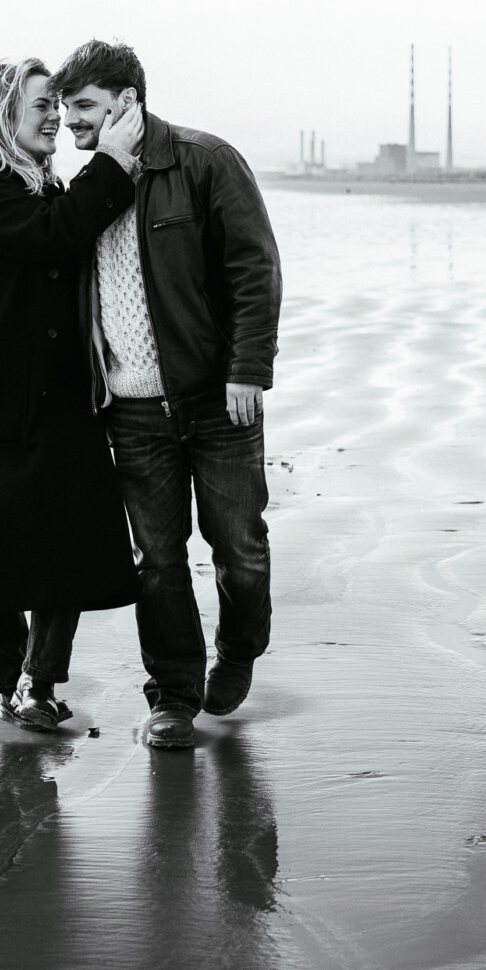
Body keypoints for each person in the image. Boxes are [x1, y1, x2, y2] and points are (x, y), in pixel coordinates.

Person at [53, 39, 282, 750]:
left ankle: (239, 650)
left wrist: (249, 368)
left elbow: (255, 267)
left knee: (239, 549)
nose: (70, 123)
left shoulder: (205, 160)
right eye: (63, 110)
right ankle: (174, 697)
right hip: (132, 411)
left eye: (84, 106)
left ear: (126, 100)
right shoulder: (92, 184)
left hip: (218, 401)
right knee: (158, 562)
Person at [0, 56, 144, 730]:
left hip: (61, 391)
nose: (54, 118)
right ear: (2, 114)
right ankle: (7, 673)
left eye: (58, 106)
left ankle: (39, 685)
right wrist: (116, 164)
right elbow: (56, 235)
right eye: (41, 105)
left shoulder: (44, 186)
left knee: (68, 533)